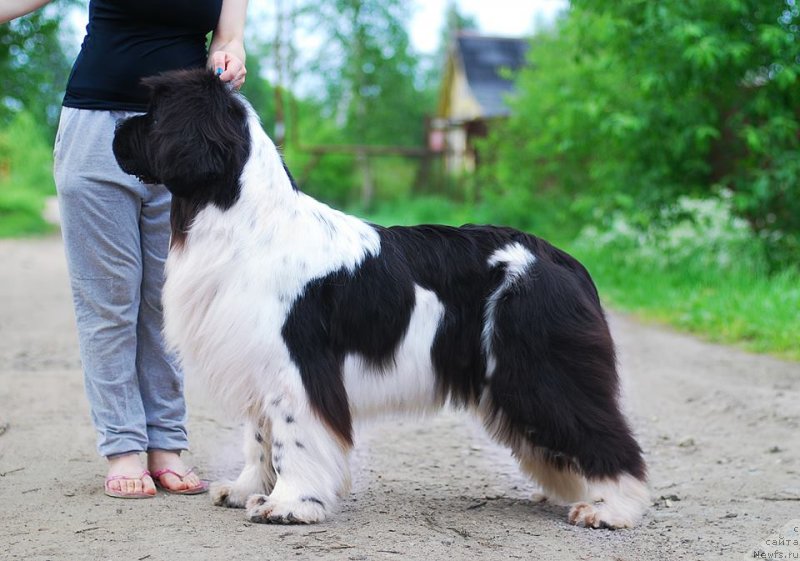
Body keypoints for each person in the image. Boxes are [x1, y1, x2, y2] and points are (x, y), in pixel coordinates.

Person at [1, 0, 248, 498]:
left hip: (180, 137)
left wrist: (231, 57)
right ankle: (123, 447)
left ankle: (167, 444)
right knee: (107, 301)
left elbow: (227, 39)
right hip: (94, 129)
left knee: (167, 299)